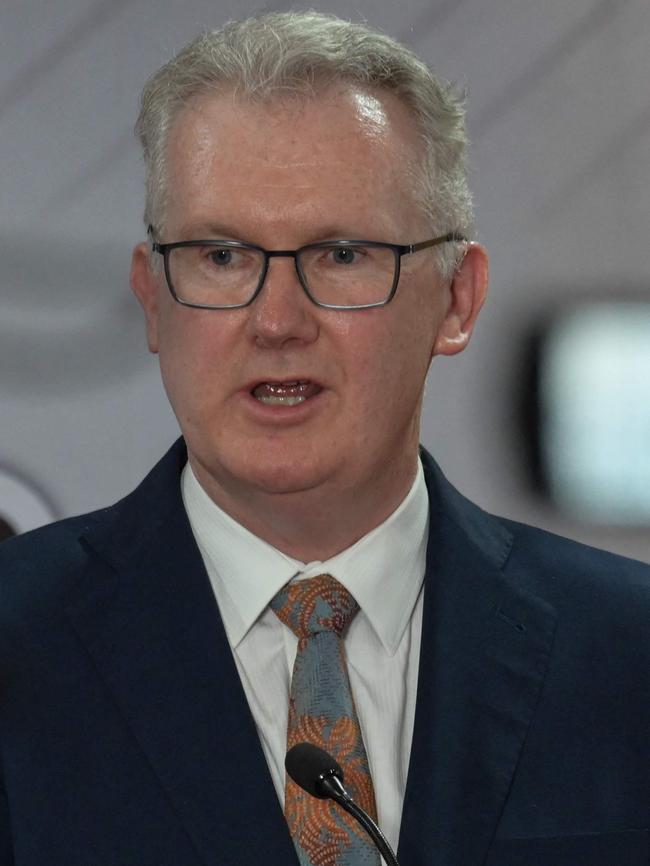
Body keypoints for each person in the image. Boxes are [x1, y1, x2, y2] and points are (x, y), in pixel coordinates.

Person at [1, 11, 649, 866]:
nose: (275, 321)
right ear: (152, 300)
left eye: (341, 255)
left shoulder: (627, 654)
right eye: (221, 256)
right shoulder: (15, 640)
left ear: (456, 299)